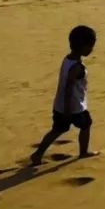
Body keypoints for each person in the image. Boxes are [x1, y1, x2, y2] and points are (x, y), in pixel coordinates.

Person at [30, 25, 98, 165]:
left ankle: (38, 154)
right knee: (86, 125)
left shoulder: (67, 59)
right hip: (74, 107)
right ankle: (83, 152)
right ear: (83, 47)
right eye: (90, 46)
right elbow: (68, 88)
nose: (92, 49)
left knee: (57, 130)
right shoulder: (77, 67)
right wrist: (68, 109)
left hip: (59, 106)